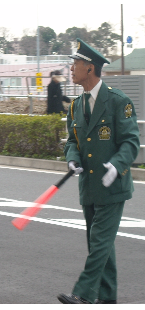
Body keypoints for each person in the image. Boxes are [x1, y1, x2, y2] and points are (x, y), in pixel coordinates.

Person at [57, 38, 140, 304]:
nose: (71, 69)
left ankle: (83, 293)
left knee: (100, 241)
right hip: (90, 186)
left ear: (90, 68)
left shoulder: (118, 101)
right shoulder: (76, 105)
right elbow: (73, 141)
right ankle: (107, 299)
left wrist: (117, 165)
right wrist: (72, 159)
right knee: (100, 245)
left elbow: (131, 141)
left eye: (76, 64)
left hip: (113, 186)